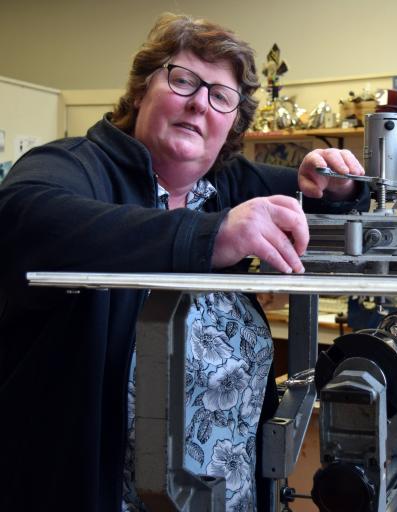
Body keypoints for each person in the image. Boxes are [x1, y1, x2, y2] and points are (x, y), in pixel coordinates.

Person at [0, 12, 369, 512]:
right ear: (140, 90)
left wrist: (334, 185)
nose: (200, 103)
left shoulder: (225, 185)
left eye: (221, 96)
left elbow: (316, 196)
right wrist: (208, 237)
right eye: (183, 80)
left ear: (232, 122)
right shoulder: (76, 166)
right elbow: (23, 218)